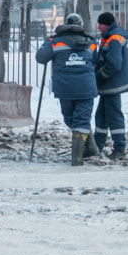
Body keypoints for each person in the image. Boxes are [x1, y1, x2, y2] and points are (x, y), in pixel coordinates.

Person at [35, 13, 100, 166]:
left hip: (65, 89)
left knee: (71, 119)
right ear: (81, 25)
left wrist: (46, 44)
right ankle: (89, 150)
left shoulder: (55, 42)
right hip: (85, 88)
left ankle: (78, 156)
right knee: (81, 120)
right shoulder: (90, 43)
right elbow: (96, 61)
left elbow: (40, 58)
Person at [93, 12, 128, 160]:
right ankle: (97, 146)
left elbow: (114, 64)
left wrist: (98, 76)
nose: (98, 27)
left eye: (100, 24)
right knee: (101, 116)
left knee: (114, 116)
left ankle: (120, 148)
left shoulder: (114, 38)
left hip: (111, 84)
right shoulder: (110, 36)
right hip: (109, 85)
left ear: (107, 24)